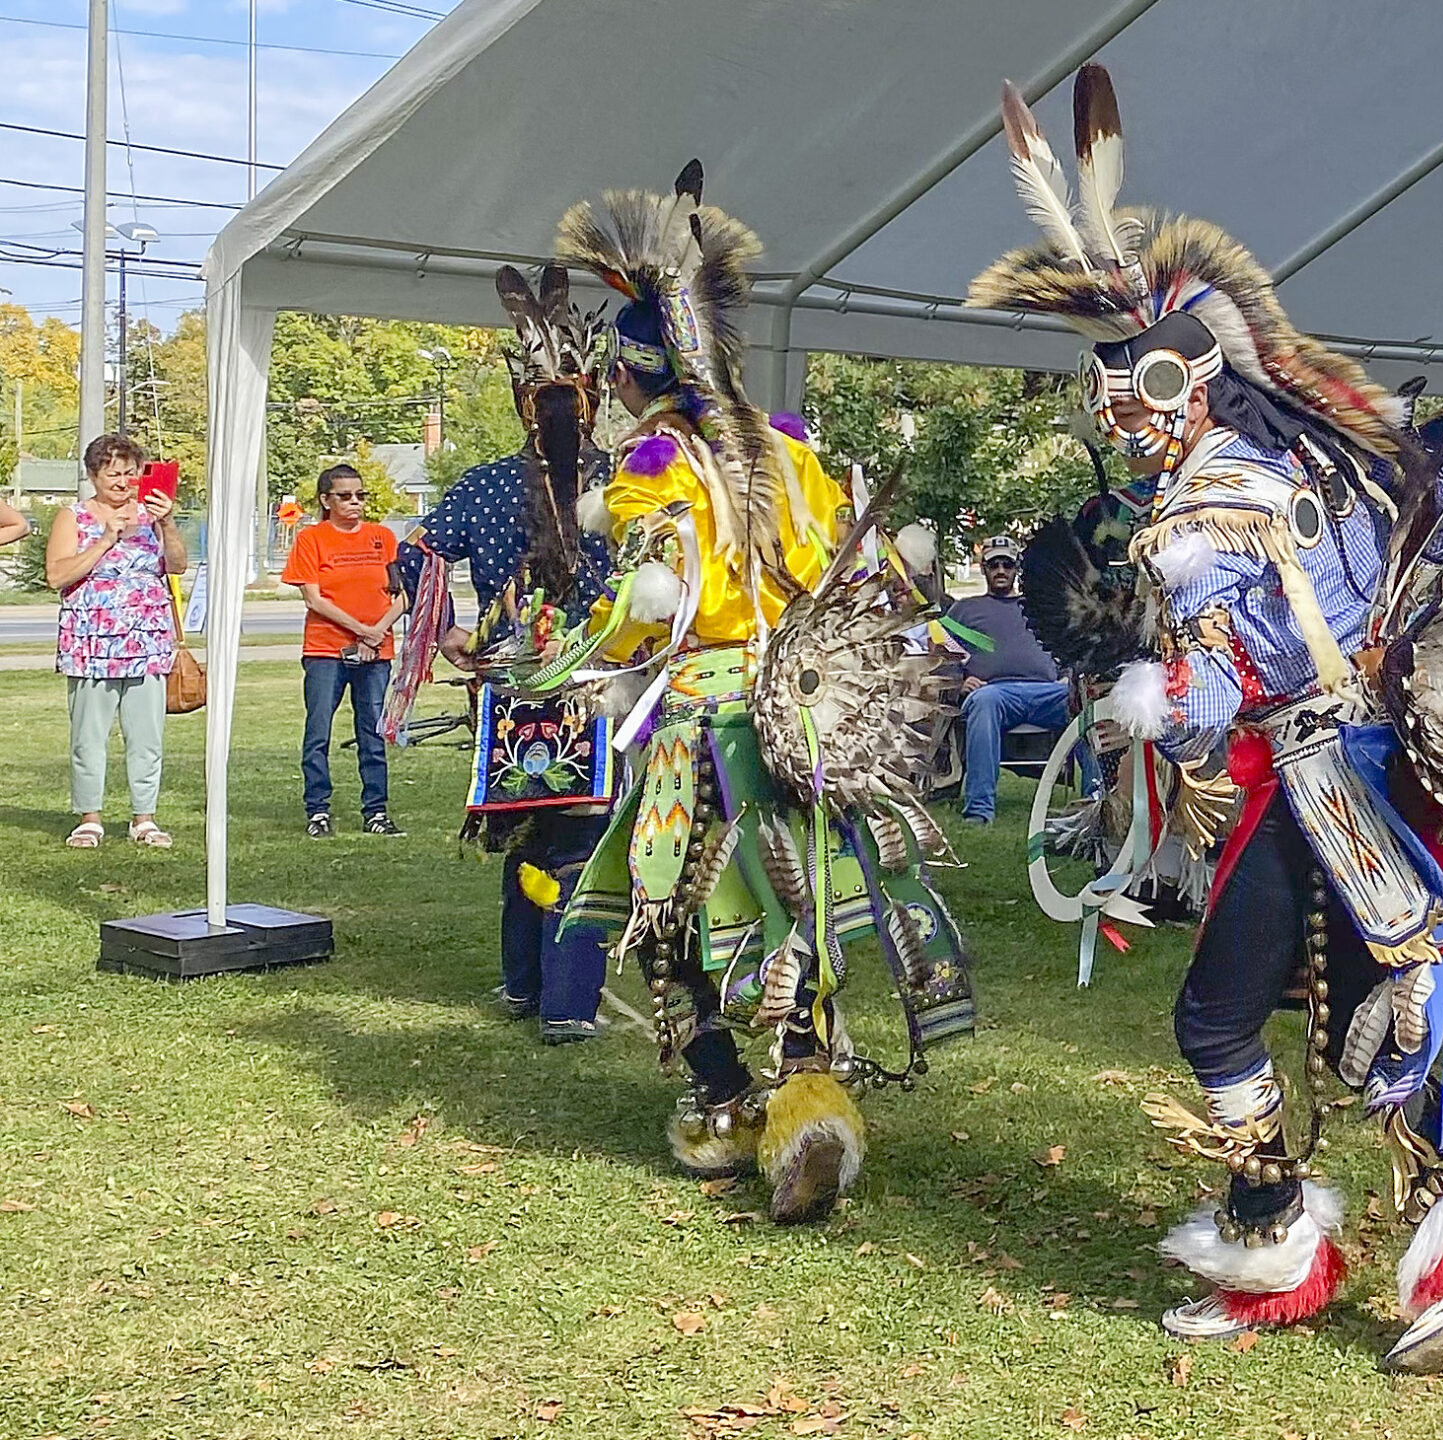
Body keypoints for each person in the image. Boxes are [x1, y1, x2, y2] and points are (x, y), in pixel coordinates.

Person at [968, 66, 1443, 1372]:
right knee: (1391, 1012)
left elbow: (1223, 685)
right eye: (1109, 404)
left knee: (1239, 1022)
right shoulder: (1318, 456)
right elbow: (1430, 531)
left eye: (1131, 404)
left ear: (1183, 391)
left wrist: (1140, 688)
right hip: (1411, 767)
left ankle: (1282, 1246)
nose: (1117, 427)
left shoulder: (1205, 507)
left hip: (1323, 784)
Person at [537, 163, 977, 1223]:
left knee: (666, 922)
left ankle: (733, 1101)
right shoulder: (790, 451)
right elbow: (858, 575)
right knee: (801, 913)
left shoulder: (653, 461)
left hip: (698, 723)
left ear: (637, 376)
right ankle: (812, 1102)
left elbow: (655, 602)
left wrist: (590, 649)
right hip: (805, 718)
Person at [398, 264, 621, 1043]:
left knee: (525, 827)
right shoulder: (623, 481)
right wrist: (449, 633)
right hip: (593, 680)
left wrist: (450, 635)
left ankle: (525, 985)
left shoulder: (487, 484)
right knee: (580, 835)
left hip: (511, 683)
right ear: (587, 400)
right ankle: (564, 1002)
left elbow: (416, 555)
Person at [47, 432, 184, 849]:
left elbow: (176, 565)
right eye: (113, 474)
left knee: (147, 736)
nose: (123, 482)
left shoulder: (151, 514)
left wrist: (168, 522)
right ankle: (89, 817)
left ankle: (144, 817)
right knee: (88, 736)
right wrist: (106, 539)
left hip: (145, 640)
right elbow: (56, 576)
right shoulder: (74, 517)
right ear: (93, 476)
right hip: (91, 641)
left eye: (130, 473)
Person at [284, 464, 407, 838]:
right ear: (326, 500)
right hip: (326, 650)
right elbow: (314, 598)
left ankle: (376, 810)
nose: (354, 503)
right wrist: (361, 630)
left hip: (376, 652)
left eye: (360, 495)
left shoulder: (382, 537)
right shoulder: (311, 539)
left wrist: (378, 632)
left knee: (372, 732)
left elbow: (402, 594)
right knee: (318, 730)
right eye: (344, 496)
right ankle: (318, 809)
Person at [945, 534, 1071, 824]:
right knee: (984, 701)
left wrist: (1069, 678)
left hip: (1050, 693)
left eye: (1007, 564)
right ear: (984, 568)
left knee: (1087, 703)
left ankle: (1096, 800)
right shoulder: (964, 610)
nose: (1001, 570)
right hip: (995, 693)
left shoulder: (1040, 605)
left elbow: (1067, 648)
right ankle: (979, 810)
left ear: (1016, 569)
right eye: (994, 565)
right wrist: (958, 680)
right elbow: (940, 655)